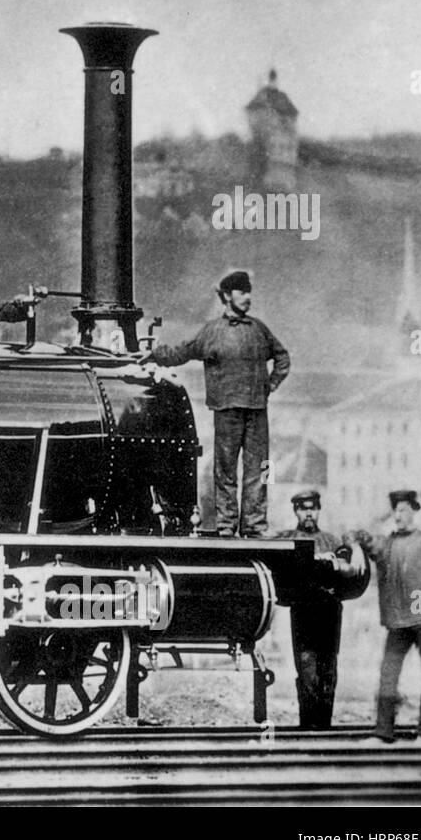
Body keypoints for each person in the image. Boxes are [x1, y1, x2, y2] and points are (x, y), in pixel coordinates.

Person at [141, 270, 289, 537]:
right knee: (225, 471)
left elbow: (283, 358)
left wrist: (271, 386)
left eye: (249, 292)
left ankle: (255, 527)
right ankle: (226, 527)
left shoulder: (259, 330)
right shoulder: (212, 332)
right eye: (242, 292)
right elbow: (180, 352)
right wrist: (154, 354)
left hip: (257, 412)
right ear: (226, 296)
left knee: (264, 469)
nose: (248, 298)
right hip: (225, 411)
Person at [352, 490, 421, 743]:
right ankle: (383, 732)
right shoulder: (387, 544)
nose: (398, 516)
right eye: (395, 511)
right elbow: (363, 539)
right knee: (388, 674)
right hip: (397, 622)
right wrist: (356, 543)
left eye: (403, 510)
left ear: (414, 511)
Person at [270, 489, 355, 729]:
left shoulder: (333, 540)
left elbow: (348, 566)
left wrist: (335, 561)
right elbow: (271, 549)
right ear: (296, 511)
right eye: (303, 509)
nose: (309, 513)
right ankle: (308, 726)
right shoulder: (289, 539)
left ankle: (324, 726)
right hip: (303, 613)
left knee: (328, 669)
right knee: (307, 669)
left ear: (318, 511)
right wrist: (314, 558)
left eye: (313, 509)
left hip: (329, 612)